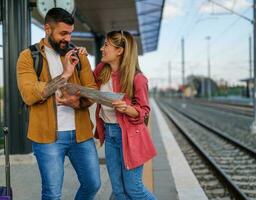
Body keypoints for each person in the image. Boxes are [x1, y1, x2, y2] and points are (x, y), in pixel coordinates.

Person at [16, 8, 100, 200]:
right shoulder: (28, 57)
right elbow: (29, 95)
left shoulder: (79, 56)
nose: (67, 38)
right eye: (63, 33)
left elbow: (92, 91)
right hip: (47, 139)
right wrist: (64, 76)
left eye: (70, 33)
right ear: (47, 29)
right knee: (52, 193)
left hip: (81, 135)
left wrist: (76, 103)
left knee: (93, 184)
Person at [93, 30, 157, 200]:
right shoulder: (102, 70)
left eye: (106, 45)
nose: (101, 48)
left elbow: (144, 110)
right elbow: (86, 82)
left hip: (130, 136)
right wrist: (80, 60)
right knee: (118, 190)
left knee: (134, 189)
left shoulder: (138, 78)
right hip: (110, 134)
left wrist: (127, 108)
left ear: (119, 51)